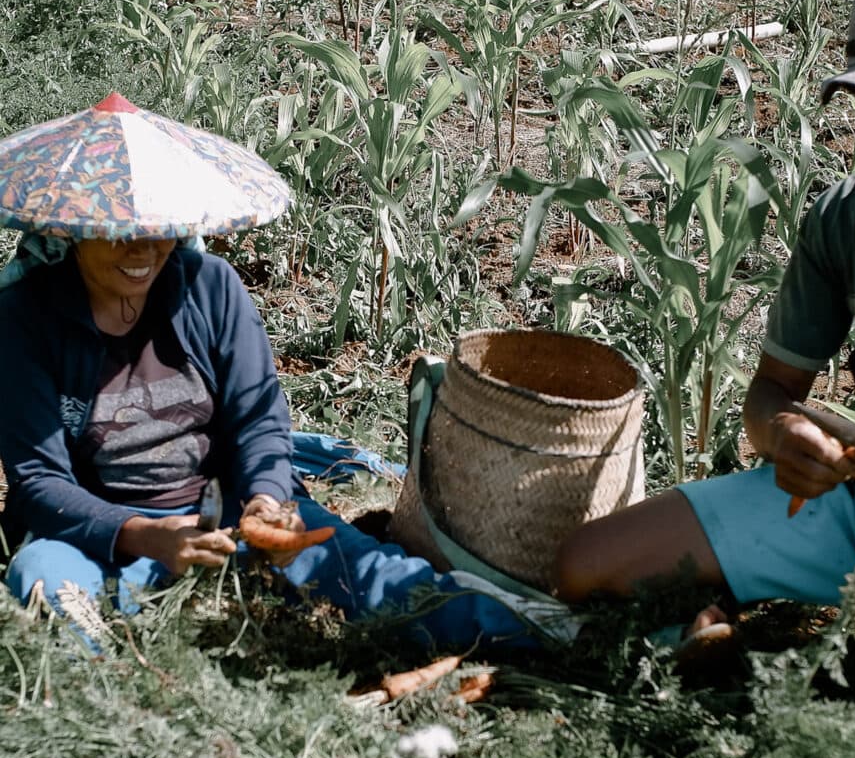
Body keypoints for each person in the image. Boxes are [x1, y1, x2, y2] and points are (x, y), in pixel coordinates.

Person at [553, 0, 855, 690]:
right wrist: (785, 439)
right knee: (590, 565)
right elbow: (775, 390)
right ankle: (713, 630)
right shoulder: (845, 218)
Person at [0, 231, 562, 651]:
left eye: (159, 227)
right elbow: (38, 480)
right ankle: (113, 684)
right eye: (119, 232)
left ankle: (544, 632)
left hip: (228, 515)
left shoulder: (208, 286)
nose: (143, 248)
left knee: (366, 574)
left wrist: (267, 499)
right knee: (42, 579)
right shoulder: (24, 317)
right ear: (70, 231)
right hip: (105, 534)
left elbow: (260, 421)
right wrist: (145, 536)